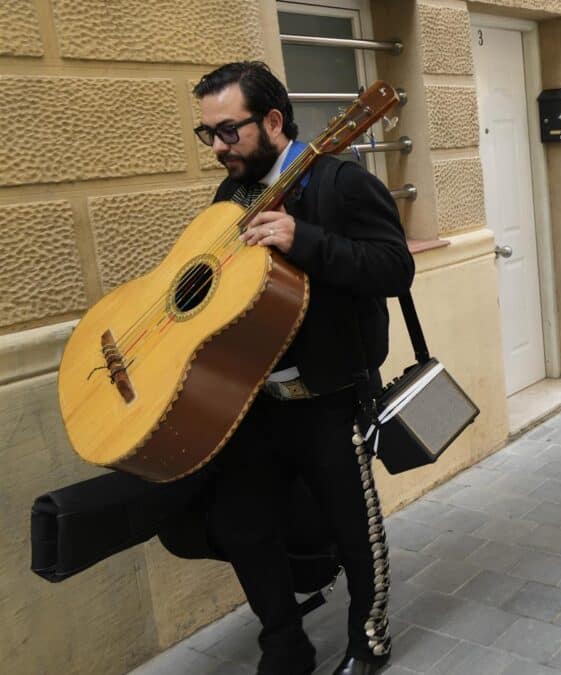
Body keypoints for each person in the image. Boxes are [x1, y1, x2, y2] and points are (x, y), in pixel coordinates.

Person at [193, 61, 414, 675]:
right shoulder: (228, 196)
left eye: (228, 131)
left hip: (331, 395)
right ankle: (284, 643)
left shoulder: (341, 183)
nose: (216, 147)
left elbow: (395, 269)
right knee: (241, 523)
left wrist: (304, 240)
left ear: (271, 120)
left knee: (352, 527)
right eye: (206, 133)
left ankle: (368, 639)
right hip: (254, 398)